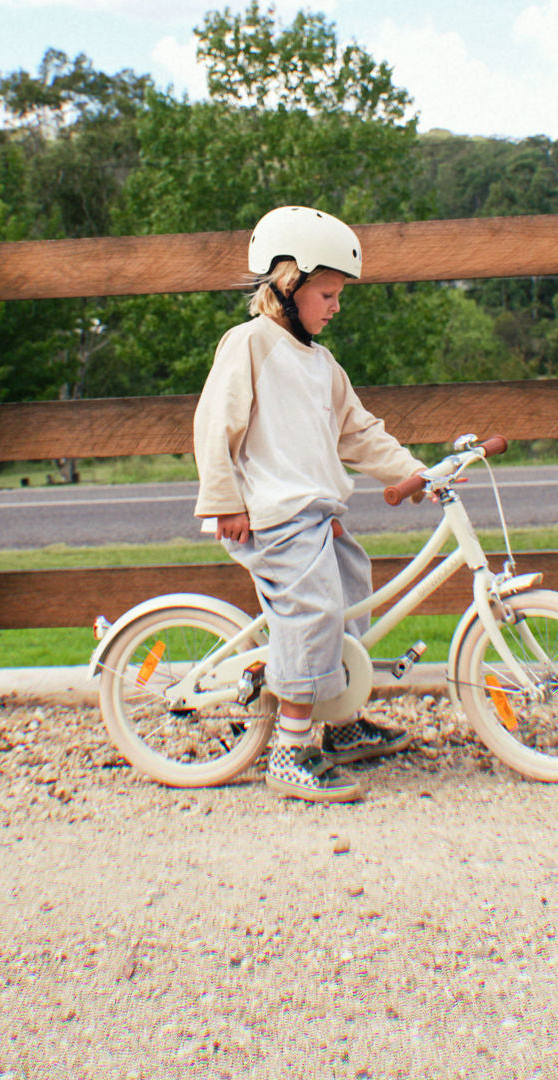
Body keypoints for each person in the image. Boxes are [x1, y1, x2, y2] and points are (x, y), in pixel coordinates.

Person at [193, 206, 424, 803]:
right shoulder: (249, 345)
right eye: (327, 292)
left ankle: (338, 722)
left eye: (339, 294)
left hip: (317, 515)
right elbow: (215, 425)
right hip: (270, 514)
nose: (336, 306)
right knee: (314, 610)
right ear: (288, 283)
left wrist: (414, 472)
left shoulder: (322, 364)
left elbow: (359, 433)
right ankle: (290, 753)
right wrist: (224, 499)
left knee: (351, 596)